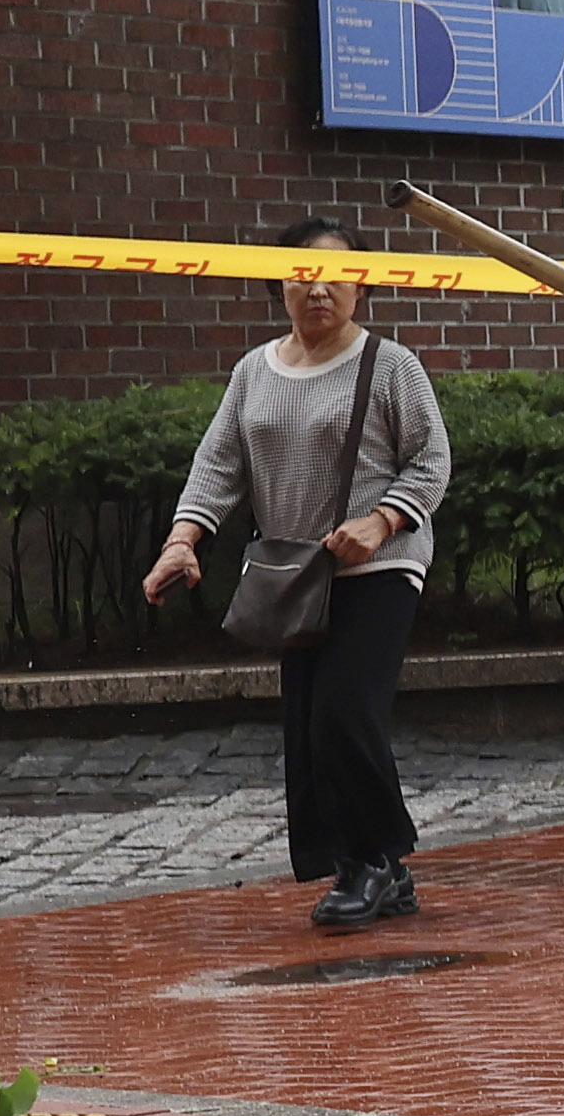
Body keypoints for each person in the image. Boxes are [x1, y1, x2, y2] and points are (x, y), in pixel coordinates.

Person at [145, 224, 455, 930]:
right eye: (299, 275)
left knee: (344, 713)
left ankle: (371, 863)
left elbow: (431, 461)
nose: (316, 288)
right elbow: (218, 465)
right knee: (310, 727)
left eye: (333, 275)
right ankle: (372, 867)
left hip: (381, 569)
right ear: (276, 285)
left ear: (362, 284)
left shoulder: (390, 366)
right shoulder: (255, 371)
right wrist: (183, 540)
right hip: (295, 575)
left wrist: (381, 523)